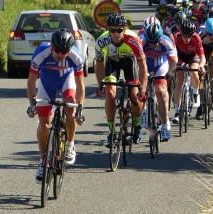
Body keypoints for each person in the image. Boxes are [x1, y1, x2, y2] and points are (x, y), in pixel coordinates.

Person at [27, 28, 85, 184]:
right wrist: (32, 103)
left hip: (67, 80)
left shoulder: (76, 57)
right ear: (52, 46)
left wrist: (80, 108)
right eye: (57, 50)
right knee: (44, 123)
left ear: (70, 49)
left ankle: (70, 144)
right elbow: (32, 81)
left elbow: (80, 86)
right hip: (47, 83)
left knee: (70, 108)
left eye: (64, 51)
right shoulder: (41, 52)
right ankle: (43, 162)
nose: (60, 54)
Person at [95, 13, 148, 146]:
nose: (115, 33)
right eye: (112, 30)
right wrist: (100, 83)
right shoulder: (101, 41)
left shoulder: (134, 40)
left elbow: (143, 67)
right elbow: (99, 64)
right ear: (107, 29)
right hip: (112, 63)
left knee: (134, 96)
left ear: (124, 29)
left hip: (129, 62)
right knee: (110, 94)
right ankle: (111, 132)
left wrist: (143, 88)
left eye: (119, 30)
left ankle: (137, 125)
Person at [139, 23, 177, 140]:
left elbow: (173, 62)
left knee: (161, 91)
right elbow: (134, 62)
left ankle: (165, 126)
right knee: (140, 91)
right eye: (150, 42)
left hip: (161, 65)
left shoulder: (166, 41)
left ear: (160, 38)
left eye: (155, 42)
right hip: (145, 65)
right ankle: (140, 124)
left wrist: (170, 73)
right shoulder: (141, 41)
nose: (152, 45)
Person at [172, 19, 206, 123]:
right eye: (185, 36)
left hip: (193, 57)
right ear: (181, 33)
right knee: (179, 82)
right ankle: (177, 111)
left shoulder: (196, 38)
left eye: (189, 36)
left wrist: (201, 66)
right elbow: (172, 55)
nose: (187, 39)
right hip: (180, 57)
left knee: (194, 71)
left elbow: (202, 56)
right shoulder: (176, 38)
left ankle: (195, 94)